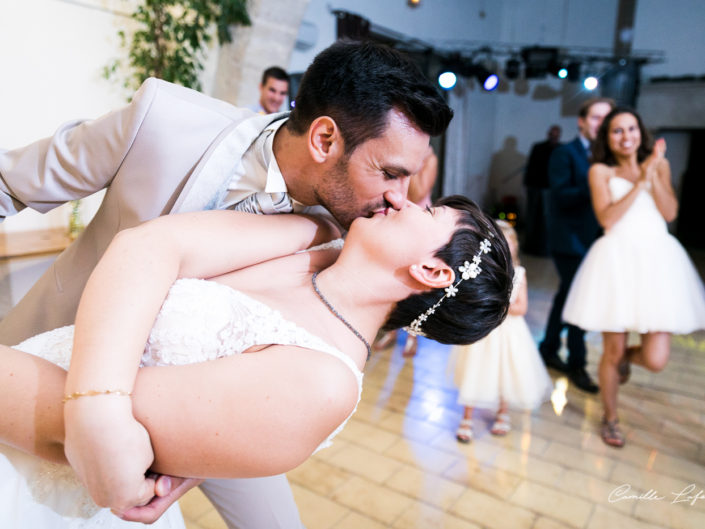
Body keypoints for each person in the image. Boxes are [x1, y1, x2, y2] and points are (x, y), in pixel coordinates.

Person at [0, 40, 453, 527]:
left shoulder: (353, 229)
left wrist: (190, 460)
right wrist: (100, 408)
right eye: (389, 173)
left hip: (207, 401)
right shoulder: (162, 122)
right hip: (58, 360)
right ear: (325, 140)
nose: (397, 200)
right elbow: (10, 183)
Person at [0, 196, 514, 527]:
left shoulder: (320, 382)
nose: (400, 197)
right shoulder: (315, 238)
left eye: (425, 212)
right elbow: (152, 246)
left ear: (431, 270)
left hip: (26, 460)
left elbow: (68, 427)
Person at [562, 109, 705, 447]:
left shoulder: (660, 165)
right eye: (616, 131)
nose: (626, 137)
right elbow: (607, 217)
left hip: (659, 261)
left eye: (631, 129)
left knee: (656, 358)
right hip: (617, 260)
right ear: (607, 138)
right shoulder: (600, 170)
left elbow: (669, 213)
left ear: (641, 131)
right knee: (611, 349)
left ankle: (628, 357)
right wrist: (638, 183)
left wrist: (652, 173)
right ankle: (610, 417)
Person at [451, 220, 552, 442]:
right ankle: (467, 417)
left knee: (504, 373)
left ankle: (502, 413)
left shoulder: (519, 274)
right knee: (475, 370)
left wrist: (497, 306)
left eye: (509, 243)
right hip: (483, 331)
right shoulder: (480, 271)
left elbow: (521, 307)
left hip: (508, 334)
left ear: (515, 246)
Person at [540, 97, 615, 394]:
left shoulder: (610, 157)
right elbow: (561, 195)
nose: (601, 124)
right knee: (580, 297)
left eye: (605, 119)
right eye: (595, 118)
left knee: (566, 296)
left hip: (598, 240)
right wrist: (596, 180)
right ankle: (577, 363)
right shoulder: (564, 153)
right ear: (582, 121)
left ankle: (547, 348)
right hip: (569, 239)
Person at [373, 144, 439, 357]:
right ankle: (391, 329)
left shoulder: (430, 160)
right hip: (394, 217)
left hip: (417, 222)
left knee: (412, 283)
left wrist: (416, 163)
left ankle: (412, 335)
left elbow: (418, 192)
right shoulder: (400, 153)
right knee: (391, 277)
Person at [522, 124, 561, 256]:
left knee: (548, 220)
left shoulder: (561, 149)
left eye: (556, 134)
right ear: (548, 134)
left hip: (552, 190)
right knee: (533, 218)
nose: (554, 136)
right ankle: (531, 247)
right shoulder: (538, 147)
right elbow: (531, 167)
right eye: (552, 133)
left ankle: (546, 249)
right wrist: (528, 185)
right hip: (536, 188)